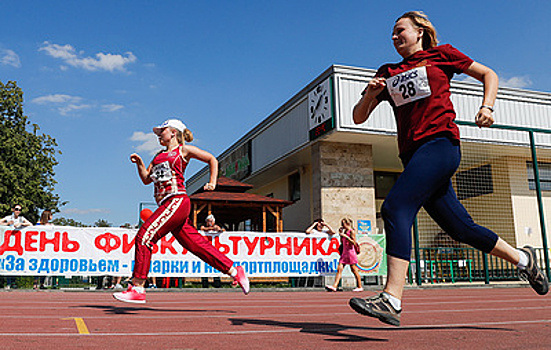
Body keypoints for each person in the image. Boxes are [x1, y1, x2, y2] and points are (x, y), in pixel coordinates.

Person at [349, 11, 549, 326]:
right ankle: (524, 259)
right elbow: (359, 116)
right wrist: (372, 94)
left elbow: (489, 75)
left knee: (395, 207)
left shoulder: (442, 55)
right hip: (412, 156)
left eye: (400, 30)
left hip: (440, 145)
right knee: (460, 229)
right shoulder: (387, 72)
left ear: (420, 32)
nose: (394, 37)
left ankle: (391, 298)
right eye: (392, 33)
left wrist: (487, 106)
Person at [113, 119, 249, 303]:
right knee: (196, 245)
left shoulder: (183, 151)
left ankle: (138, 286)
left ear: (174, 132)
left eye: (162, 131)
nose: (159, 134)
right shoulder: (157, 156)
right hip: (166, 205)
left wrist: (213, 182)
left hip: (176, 200)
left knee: (144, 236)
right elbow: (146, 179)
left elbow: (212, 159)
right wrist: (139, 163)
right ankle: (234, 270)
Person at [325, 217, 363, 293]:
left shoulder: (351, 231)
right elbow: (342, 242)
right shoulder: (345, 232)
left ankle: (359, 286)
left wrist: (346, 236)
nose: (342, 225)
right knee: (339, 269)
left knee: (354, 270)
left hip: (350, 253)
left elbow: (353, 242)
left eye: (343, 224)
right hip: (345, 253)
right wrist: (341, 235)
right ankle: (334, 286)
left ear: (347, 224)